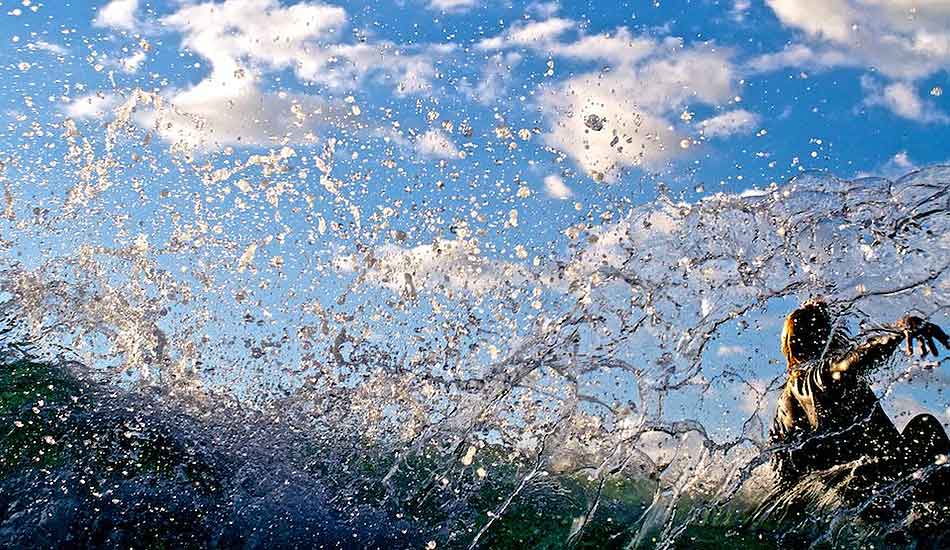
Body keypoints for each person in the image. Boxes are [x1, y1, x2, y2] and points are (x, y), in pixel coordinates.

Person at [769, 299, 950, 509]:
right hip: (883, 486)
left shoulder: (783, 407)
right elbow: (852, 362)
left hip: (858, 501)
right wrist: (899, 330)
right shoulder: (822, 376)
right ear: (824, 337)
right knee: (925, 427)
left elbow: (785, 482)